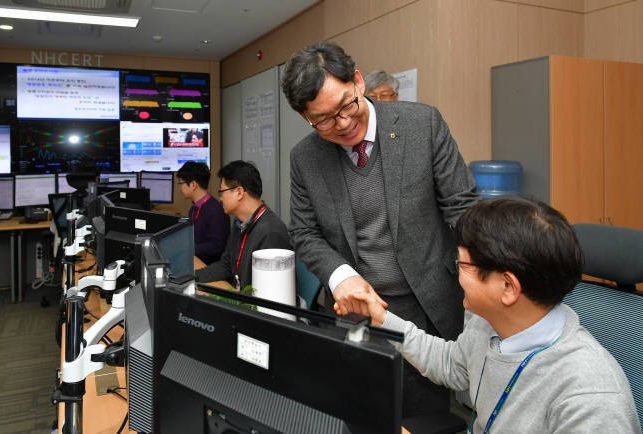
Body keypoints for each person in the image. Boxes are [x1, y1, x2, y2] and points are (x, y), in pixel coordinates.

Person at [281, 42, 479, 416]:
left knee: (423, 417)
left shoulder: (422, 125)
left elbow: (463, 208)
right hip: (353, 314)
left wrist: (482, 281)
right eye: (323, 119)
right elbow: (304, 233)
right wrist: (341, 277)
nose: (341, 124)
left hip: (427, 310)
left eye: (345, 106)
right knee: (356, 414)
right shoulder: (305, 158)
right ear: (305, 117)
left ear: (357, 82)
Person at [343, 197, 641, 433]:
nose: (455, 273)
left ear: (508, 287)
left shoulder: (592, 400)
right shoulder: (489, 321)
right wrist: (381, 318)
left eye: (462, 265)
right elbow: (453, 365)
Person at [195, 160, 292, 291]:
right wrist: (193, 277)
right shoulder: (239, 223)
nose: (220, 198)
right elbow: (226, 265)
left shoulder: (270, 233)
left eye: (222, 192)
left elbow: (267, 295)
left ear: (239, 193)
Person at [176, 161, 230, 265]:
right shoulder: (194, 208)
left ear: (193, 184)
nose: (180, 188)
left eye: (181, 183)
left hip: (209, 267)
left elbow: (217, 246)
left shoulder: (216, 210)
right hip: (195, 261)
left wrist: (188, 249)